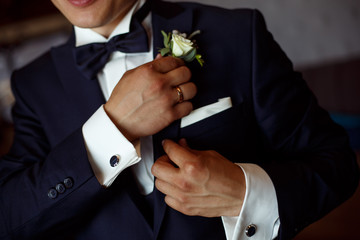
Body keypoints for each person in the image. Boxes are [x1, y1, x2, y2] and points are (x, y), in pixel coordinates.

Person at [0, 0, 358, 239]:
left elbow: (336, 163)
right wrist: (115, 126)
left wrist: (243, 192)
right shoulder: (33, 85)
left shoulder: (237, 33)